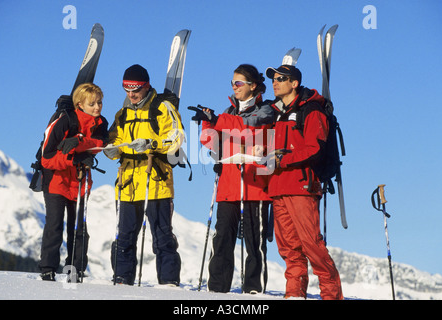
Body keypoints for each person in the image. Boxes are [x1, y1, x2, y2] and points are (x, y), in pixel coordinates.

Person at [189, 64, 274, 294]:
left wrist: (216, 120)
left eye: (239, 83)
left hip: (255, 185)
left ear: (253, 85)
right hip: (229, 183)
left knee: (254, 242)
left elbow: (248, 126)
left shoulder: (267, 110)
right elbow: (212, 142)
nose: (234, 87)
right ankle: (217, 288)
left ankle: (254, 290)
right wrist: (207, 123)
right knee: (222, 238)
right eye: (232, 83)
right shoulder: (228, 112)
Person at [264, 64, 343, 300]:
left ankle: (331, 295)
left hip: (302, 186)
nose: (275, 82)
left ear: (294, 83)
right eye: (273, 79)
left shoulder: (312, 111)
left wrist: (284, 158)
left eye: (281, 78)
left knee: (312, 245)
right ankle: (294, 295)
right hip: (278, 187)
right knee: (288, 248)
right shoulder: (274, 113)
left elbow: (315, 148)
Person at [104, 64, 183, 286]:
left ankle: (168, 282)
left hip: (155, 181)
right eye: (127, 89)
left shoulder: (162, 107)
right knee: (125, 235)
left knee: (162, 236)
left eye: (136, 89)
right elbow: (114, 140)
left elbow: (176, 137)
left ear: (146, 86)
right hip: (128, 182)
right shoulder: (123, 113)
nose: (131, 94)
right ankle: (121, 279)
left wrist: (152, 144)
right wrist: (113, 149)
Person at [39, 83, 108, 281]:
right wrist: (72, 158)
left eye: (100, 102)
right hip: (56, 181)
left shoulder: (101, 123)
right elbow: (47, 158)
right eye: (92, 103)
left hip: (80, 182)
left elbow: (102, 143)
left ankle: (75, 270)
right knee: (54, 226)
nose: (97, 107)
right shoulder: (64, 122)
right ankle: (48, 268)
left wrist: (79, 143)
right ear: (80, 104)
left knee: (79, 229)